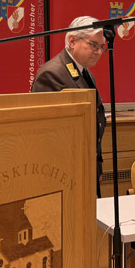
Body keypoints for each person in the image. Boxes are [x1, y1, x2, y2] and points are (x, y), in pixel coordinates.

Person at [31, 16, 107, 197]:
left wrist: (96, 166)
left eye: (101, 47)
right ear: (72, 41)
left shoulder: (84, 73)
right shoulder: (52, 74)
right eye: (93, 45)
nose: (98, 52)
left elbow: (94, 124)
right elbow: (45, 134)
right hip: (60, 172)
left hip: (84, 167)